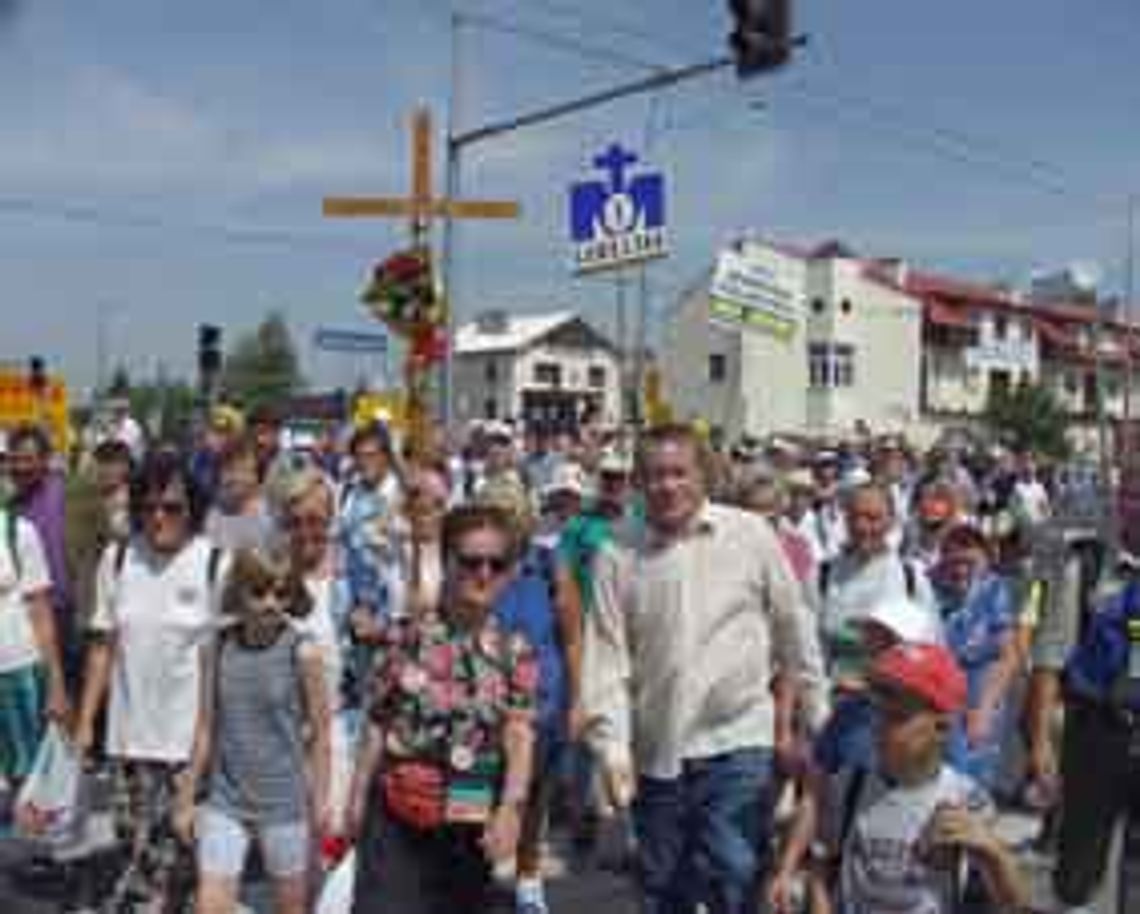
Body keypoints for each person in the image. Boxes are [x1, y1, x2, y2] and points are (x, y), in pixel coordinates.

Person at [583, 422, 827, 914]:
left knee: (735, 872)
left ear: (704, 476)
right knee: (663, 886)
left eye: (678, 472)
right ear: (638, 481)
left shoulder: (749, 534)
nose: (667, 485)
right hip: (659, 750)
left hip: (738, 739)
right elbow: (607, 659)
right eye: (654, 475)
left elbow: (792, 626)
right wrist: (611, 748)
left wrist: (817, 712)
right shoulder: (615, 552)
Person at [346, 504, 538, 914]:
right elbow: (378, 719)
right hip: (398, 814)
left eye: (496, 563)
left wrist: (511, 811)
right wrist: (357, 798)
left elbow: (519, 735)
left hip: (468, 816)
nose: (483, 573)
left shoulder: (515, 651)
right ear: (447, 562)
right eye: (470, 561)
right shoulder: (407, 636)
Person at [74, 453, 228, 914]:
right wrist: (85, 723)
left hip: (186, 750)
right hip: (127, 743)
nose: (158, 517)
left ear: (193, 510)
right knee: (134, 854)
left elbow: (226, 669)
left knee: (168, 868)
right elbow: (103, 646)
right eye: (148, 506)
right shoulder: (118, 559)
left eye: (172, 507)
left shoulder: (215, 565)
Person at [769, 642, 1028, 914]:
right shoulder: (849, 786)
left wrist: (994, 854)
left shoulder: (966, 800)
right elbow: (822, 867)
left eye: (897, 716)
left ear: (941, 726)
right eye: (877, 712)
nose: (880, 726)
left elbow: (1012, 904)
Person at [175, 548, 331, 914]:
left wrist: (320, 801)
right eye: (259, 593)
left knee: (291, 908)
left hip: (285, 799)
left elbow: (322, 733)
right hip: (226, 798)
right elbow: (205, 727)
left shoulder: (303, 651)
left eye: (281, 593)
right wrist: (185, 797)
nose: (271, 604)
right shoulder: (216, 647)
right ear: (238, 594)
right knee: (209, 906)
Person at [819, 482, 937, 690]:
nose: (861, 526)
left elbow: (929, 649)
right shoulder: (823, 574)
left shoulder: (910, 577)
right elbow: (807, 650)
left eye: (872, 518)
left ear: (891, 521)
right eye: (854, 517)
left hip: (891, 709)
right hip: (832, 705)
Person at [932, 524, 1021, 791]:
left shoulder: (995, 591)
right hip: (938, 692)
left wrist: (984, 710)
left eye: (970, 562)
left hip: (981, 690)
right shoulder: (928, 586)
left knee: (972, 784)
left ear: (985, 558)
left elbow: (1008, 657)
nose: (960, 570)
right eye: (953, 561)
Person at [0, 501, 69, 804]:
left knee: (30, 786)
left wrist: (55, 685)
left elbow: (41, 612)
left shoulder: (18, 532)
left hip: (19, 676)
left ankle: (30, 848)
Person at [7, 424, 75, 679]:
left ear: (45, 460)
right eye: (14, 459)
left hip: (68, 611)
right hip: (30, 614)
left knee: (69, 686)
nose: (20, 466)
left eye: (28, 459)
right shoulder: (10, 509)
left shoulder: (69, 492)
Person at [203, 437, 275, 552]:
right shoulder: (214, 513)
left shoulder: (264, 517)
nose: (239, 477)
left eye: (247, 470)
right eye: (231, 469)